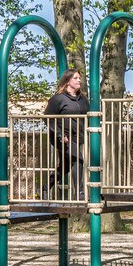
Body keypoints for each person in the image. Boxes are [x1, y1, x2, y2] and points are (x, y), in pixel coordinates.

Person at [43, 68, 89, 200]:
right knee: (78, 160)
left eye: (79, 78)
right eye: (75, 78)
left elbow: (88, 116)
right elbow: (48, 118)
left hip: (77, 136)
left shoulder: (82, 99)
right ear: (68, 81)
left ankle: (46, 187)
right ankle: (79, 192)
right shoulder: (58, 99)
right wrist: (59, 134)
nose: (79, 80)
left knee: (66, 166)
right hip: (63, 137)